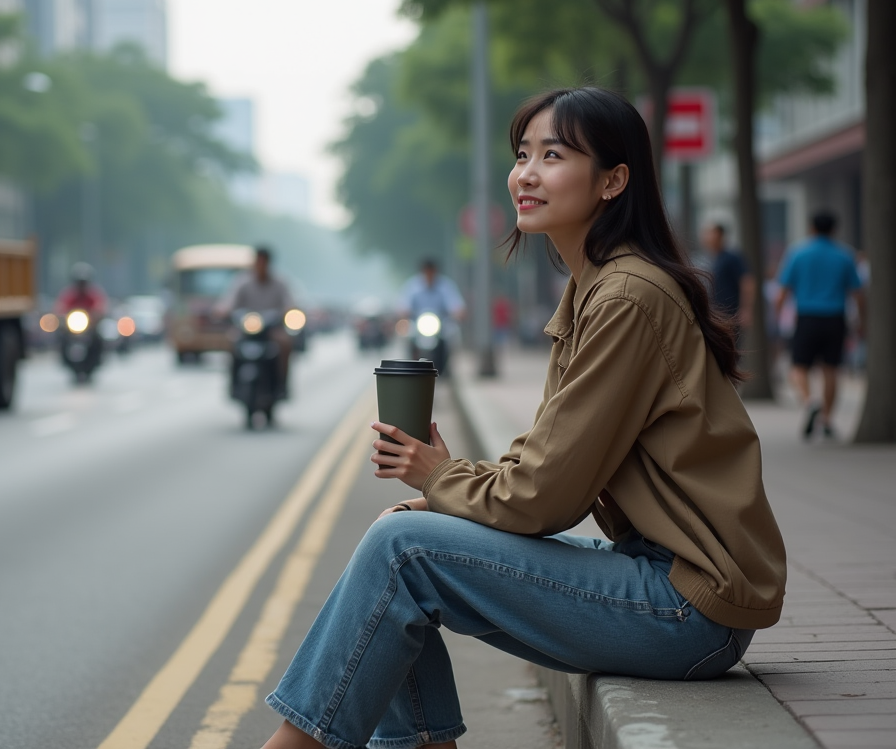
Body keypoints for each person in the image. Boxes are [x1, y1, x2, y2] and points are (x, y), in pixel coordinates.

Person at [260, 87, 786, 749]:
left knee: (403, 551)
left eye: (554, 155)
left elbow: (544, 496)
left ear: (613, 180)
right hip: (669, 586)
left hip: (689, 609)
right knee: (404, 533)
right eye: (523, 154)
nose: (526, 173)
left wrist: (442, 475)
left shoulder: (626, 298)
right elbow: (544, 458)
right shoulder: (597, 288)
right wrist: (439, 486)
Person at [774, 211, 865, 440]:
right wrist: (862, 321)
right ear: (834, 229)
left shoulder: (798, 253)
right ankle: (826, 419)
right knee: (831, 370)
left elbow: (782, 292)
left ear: (811, 228)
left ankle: (809, 401)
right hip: (835, 318)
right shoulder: (845, 255)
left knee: (798, 367)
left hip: (806, 317)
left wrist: (778, 316)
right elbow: (858, 294)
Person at [218, 247, 296, 395]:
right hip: (246, 329)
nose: (260, 266)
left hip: (271, 329)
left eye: (263, 262)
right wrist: (222, 311)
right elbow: (228, 302)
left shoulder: (280, 283)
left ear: (268, 263)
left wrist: (289, 311)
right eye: (257, 262)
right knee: (230, 341)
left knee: (285, 343)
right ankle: (233, 384)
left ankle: (282, 384)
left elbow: (289, 304)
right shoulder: (242, 282)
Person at [397, 259, 466, 374]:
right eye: (426, 272)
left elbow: (456, 305)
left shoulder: (446, 286)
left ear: (436, 272)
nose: (429, 275)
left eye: (431, 272)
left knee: (453, 333)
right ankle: (410, 362)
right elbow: (403, 304)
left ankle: (447, 365)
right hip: (418, 324)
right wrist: (403, 311)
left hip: (440, 324)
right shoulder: (412, 286)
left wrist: (458, 313)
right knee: (405, 334)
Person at [700, 223, 754, 340]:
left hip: (731, 313)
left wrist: (746, 309)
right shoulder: (713, 259)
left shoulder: (732, 258)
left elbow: (747, 282)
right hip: (718, 313)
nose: (706, 237)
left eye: (710, 233)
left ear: (719, 235)